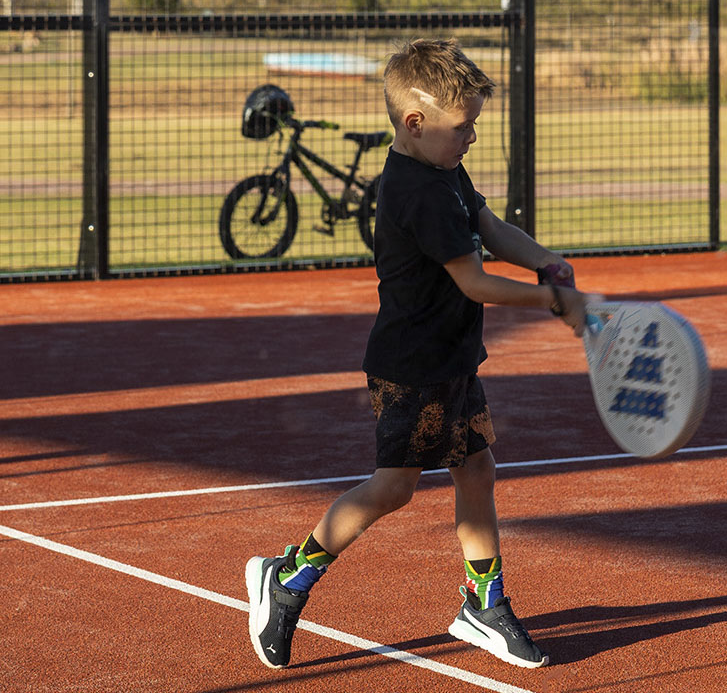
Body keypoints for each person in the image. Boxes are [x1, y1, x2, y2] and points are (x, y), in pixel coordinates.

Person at [245, 39, 589, 671]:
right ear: (416, 123)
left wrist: (542, 258)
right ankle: (287, 578)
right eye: (465, 127)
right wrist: (551, 301)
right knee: (394, 488)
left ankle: (482, 605)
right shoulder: (417, 192)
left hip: (455, 360)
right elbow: (475, 281)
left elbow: (488, 227)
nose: (472, 138)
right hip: (412, 367)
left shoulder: (441, 168)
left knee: (477, 470)